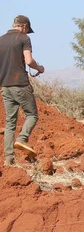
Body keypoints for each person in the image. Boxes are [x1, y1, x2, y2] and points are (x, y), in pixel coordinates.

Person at [0, 15, 44, 166]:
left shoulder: (1, 39)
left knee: (10, 122)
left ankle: (9, 159)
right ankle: (22, 139)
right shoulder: (24, 38)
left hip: (5, 86)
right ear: (24, 26)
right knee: (32, 115)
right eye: (27, 29)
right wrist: (40, 68)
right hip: (20, 84)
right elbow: (29, 60)